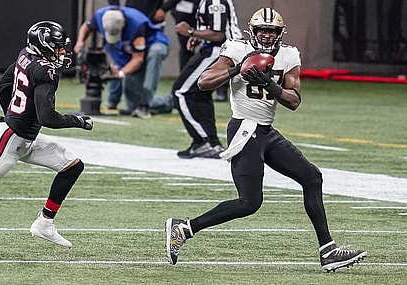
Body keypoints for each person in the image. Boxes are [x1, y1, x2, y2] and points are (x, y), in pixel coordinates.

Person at [165, 8, 367, 272]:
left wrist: (272, 85)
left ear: (279, 34)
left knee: (312, 177)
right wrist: (237, 69)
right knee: (249, 202)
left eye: (272, 32)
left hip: (266, 131)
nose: (267, 36)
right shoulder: (237, 49)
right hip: (244, 129)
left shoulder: (289, 54)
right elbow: (204, 82)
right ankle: (185, 228)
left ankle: (327, 251)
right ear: (253, 31)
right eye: (262, 31)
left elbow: (294, 101)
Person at [0, 21, 93, 248]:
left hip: (25, 138)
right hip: (9, 141)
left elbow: (3, 86)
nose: (61, 51)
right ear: (44, 45)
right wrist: (78, 121)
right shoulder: (45, 71)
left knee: (72, 165)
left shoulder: (25, 55)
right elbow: (47, 118)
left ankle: (44, 223)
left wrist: (13, 115)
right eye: (58, 46)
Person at [172, 0, 242, 159]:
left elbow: (218, 34)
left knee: (181, 92)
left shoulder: (215, 1)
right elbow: (214, 28)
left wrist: (191, 31)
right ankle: (211, 142)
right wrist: (200, 36)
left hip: (220, 51)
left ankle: (204, 141)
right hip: (218, 48)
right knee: (200, 95)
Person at [74, 5, 171, 119]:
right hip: (130, 51)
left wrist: (121, 73)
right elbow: (86, 26)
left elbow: (138, 58)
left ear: (124, 23)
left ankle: (144, 105)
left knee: (156, 52)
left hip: (152, 44)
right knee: (131, 106)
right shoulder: (100, 16)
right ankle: (171, 101)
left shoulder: (137, 23)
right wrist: (80, 42)